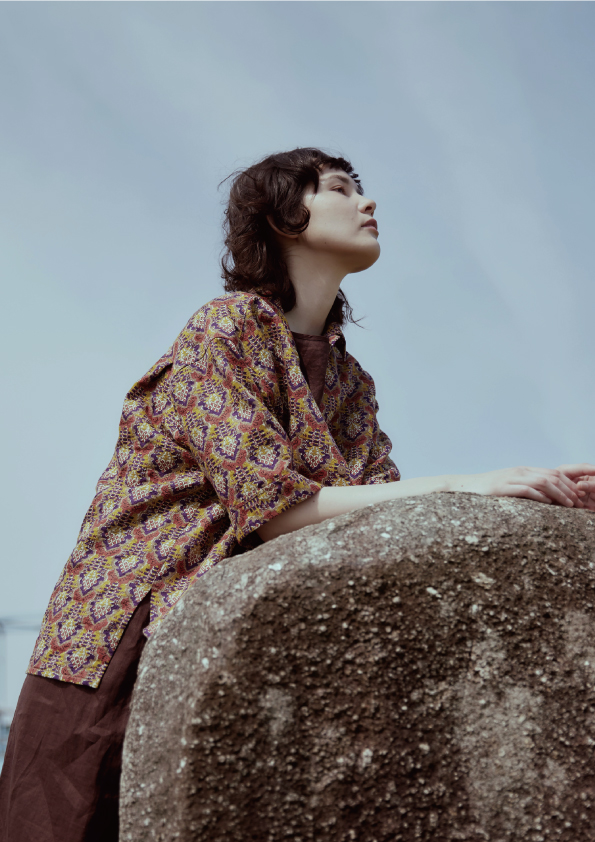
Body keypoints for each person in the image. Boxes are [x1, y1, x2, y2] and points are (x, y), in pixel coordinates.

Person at [1, 147, 594, 842]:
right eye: (340, 189)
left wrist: (532, 495)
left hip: (233, 634)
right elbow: (276, 510)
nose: (368, 203)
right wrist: (469, 483)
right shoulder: (225, 328)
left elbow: (380, 514)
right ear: (284, 218)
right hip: (120, 640)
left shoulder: (351, 383)